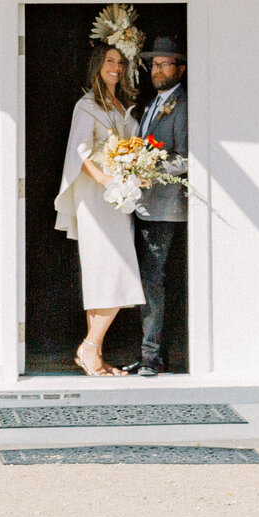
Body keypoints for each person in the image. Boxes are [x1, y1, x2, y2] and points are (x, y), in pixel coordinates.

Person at [53, 41, 143, 376]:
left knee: (104, 275)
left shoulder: (123, 104)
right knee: (116, 270)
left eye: (120, 62)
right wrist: (104, 178)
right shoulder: (87, 105)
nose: (116, 67)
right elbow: (79, 151)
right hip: (96, 197)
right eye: (109, 61)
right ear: (97, 65)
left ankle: (94, 355)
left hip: (119, 199)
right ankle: (89, 347)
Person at [129, 37, 188, 376]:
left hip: (166, 207)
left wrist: (148, 169)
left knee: (153, 280)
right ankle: (150, 353)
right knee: (147, 279)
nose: (158, 70)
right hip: (143, 206)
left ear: (181, 69)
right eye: (154, 65)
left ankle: (151, 357)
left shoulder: (183, 105)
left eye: (165, 64)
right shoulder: (151, 104)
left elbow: (186, 158)